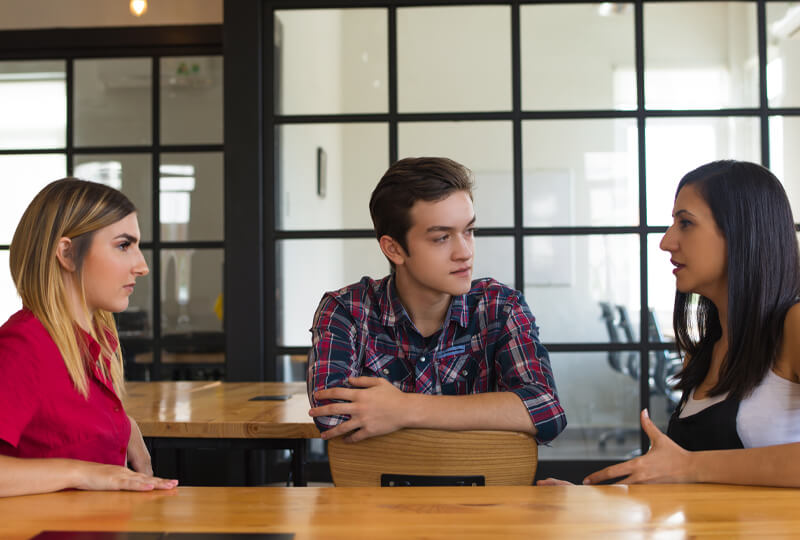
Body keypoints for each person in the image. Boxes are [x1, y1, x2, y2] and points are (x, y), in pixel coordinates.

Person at [542, 160, 800, 487]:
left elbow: (689, 469)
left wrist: (689, 467)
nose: (666, 242)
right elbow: (679, 481)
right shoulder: (705, 350)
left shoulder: (792, 325)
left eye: (686, 223)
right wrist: (589, 499)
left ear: (741, 232)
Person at [307, 157, 566, 444]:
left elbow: (545, 409)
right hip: (379, 489)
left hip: (484, 489)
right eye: (442, 238)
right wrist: (489, 412)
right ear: (393, 249)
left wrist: (404, 408)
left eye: (469, 231)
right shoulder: (346, 310)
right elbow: (331, 416)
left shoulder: (501, 307)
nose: (465, 252)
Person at [0, 178, 178, 497]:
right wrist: (81, 472)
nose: (142, 266)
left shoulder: (94, 341)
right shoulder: (25, 345)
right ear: (67, 254)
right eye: (124, 245)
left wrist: (122, 425)